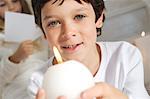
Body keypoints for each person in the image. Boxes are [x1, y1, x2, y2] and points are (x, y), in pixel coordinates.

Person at [29, 0, 150, 99]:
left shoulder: (125, 56)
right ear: (43, 33)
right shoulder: (39, 81)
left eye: (79, 16)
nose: (68, 32)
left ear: (99, 19)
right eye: (54, 23)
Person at [0, 0, 49, 99]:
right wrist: (15, 59)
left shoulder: (39, 29)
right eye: (2, 4)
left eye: (14, 1)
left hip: (44, 84)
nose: (11, 7)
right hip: (18, 92)